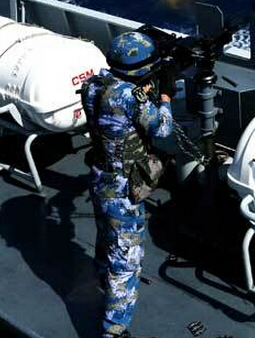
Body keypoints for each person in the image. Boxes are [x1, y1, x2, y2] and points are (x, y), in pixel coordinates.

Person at [81, 31, 174, 338]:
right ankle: (114, 330)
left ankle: (101, 277)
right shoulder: (130, 97)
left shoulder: (93, 85)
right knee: (126, 259)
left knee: (106, 235)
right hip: (123, 188)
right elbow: (162, 128)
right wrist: (165, 97)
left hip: (100, 175)